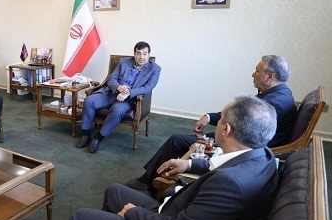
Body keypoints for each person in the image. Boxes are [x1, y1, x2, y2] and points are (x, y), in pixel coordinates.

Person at [67, 96, 279, 220]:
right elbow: (226, 166)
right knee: (114, 191)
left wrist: (132, 213)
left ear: (226, 129)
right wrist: (189, 164)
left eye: (220, 118)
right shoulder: (264, 156)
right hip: (175, 218)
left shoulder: (230, 184)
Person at [127, 54, 297, 192]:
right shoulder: (279, 94)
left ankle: (148, 183)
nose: (253, 74)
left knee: (176, 140)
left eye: (257, 71)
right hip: (243, 141)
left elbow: (239, 120)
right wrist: (208, 117)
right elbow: (239, 114)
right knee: (179, 139)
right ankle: (153, 179)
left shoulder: (275, 103)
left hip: (243, 147)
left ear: (270, 77)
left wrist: (214, 136)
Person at [76, 41, 161, 153]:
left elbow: (148, 87)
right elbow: (111, 79)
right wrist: (118, 87)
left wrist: (128, 93)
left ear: (149, 54)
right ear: (134, 54)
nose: (141, 57)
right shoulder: (124, 62)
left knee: (117, 110)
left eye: (145, 54)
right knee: (89, 101)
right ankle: (86, 134)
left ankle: (98, 137)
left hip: (127, 99)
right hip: (110, 93)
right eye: (138, 53)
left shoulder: (154, 69)